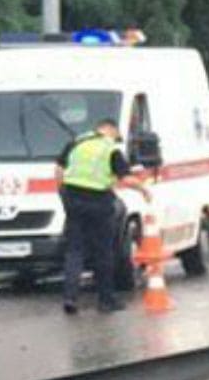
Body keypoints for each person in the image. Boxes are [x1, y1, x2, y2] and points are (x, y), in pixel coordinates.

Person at [55, 117, 152, 314]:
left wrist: (63, 194)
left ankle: (70, 298)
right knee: (103, 251)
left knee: (75, 251)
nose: (117, 138)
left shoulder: (77, 142)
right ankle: (106, 300)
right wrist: (143, 189)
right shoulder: (111, 149)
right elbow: (125, 178)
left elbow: (58, 169)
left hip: (73, 199)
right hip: (99, 201)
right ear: (111, 130)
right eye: (116, 135)